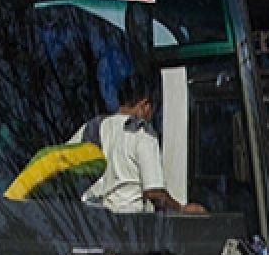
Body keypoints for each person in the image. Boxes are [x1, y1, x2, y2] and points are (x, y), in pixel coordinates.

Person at [71, 74, 204, 214]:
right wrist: (182, 209)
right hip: (129, 223)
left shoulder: (91, 128)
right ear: (145, 105)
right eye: (153, 108)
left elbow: (61, 163)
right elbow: (154, 194)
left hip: (92, 223)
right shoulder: (142, 132)